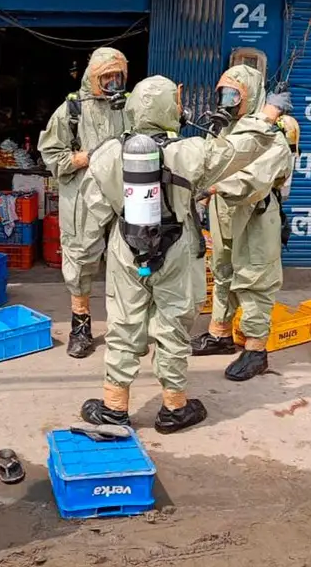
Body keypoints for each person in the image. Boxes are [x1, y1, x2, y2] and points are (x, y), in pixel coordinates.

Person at [75, 75, 293, 434]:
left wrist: (91, 258)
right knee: (173, 325)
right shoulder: (190, 151)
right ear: (168, 107)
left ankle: (114, 408)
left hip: (126, 250)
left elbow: (91, 216)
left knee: (123, 325)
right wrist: (268, 112)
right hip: (177, 248)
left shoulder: (107, 153)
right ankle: (174, 408)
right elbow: (243, 149)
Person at [190, 65, 298, 381]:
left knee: (254, 278)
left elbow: (255, 178)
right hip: (224, 212)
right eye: (223, 92)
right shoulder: (229, 129)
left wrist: (212, 188)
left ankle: (255, 350)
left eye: (234, 94)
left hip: (256, 213)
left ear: (249, 95)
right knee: (222, 271)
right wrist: (209, 195)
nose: (227, 100)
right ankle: (220, 334)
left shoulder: (276, 131)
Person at [38, 47, 131, 359]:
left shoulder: (130, 108)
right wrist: (84, 158)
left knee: (129, 259)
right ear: (93, 77)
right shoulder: (71, 110)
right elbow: (51, 154)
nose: (113, 83)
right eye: (106, 77)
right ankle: (81, 326)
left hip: (121, 196)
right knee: (80, 259)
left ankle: (126, 327)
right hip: (82, 198)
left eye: (118, 76)